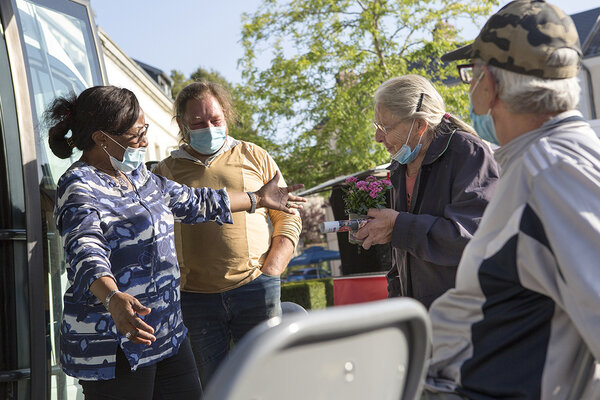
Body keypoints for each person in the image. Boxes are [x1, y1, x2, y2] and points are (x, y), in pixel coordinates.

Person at [45, 85, 304, 399]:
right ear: (102, 138)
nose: (143, 141)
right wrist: (112, 296)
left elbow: (194, 202)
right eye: (136, 134)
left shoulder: (139, 176)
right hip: (116, 341)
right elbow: (85, 247)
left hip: (166, 334)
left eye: (145, 130)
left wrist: (258, 198)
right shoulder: (78, 184)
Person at [421, 1, 600, 399]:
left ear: (489, 84)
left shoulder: (550, 171)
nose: (468, 89)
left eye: (471, 75)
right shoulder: (561, 157)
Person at [152, 81, 302, 387]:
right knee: (214, 385)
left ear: (226, 117)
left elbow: (288, 215)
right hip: (195, 300)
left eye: (215, 120)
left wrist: (272, 269)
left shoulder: (255, 156)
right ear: (182, 125)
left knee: (268, 381)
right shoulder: (165, 172)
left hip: (255, 288)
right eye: (198, 123)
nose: (208, 128)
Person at [355, 74, 499, 308]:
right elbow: (400, 261)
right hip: (420, 319)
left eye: (385, 127)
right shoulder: (400, 167)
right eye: (376, 126)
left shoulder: (467, 153)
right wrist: (397, 313)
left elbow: (470, 238)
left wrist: (398, 226)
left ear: (420, 125)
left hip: (468, 315)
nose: (377, 137)